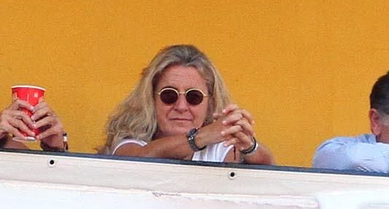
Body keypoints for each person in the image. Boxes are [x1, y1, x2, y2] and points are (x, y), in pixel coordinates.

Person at [102, 44, 273, 165]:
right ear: (151, 99)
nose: (181, 106)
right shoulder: (133, 142)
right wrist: (201, 136)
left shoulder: (217, 149)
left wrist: (248, 145)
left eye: (194, 97)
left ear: (210, 102)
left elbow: (266, 169)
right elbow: (137, 160)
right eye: (169, 95)